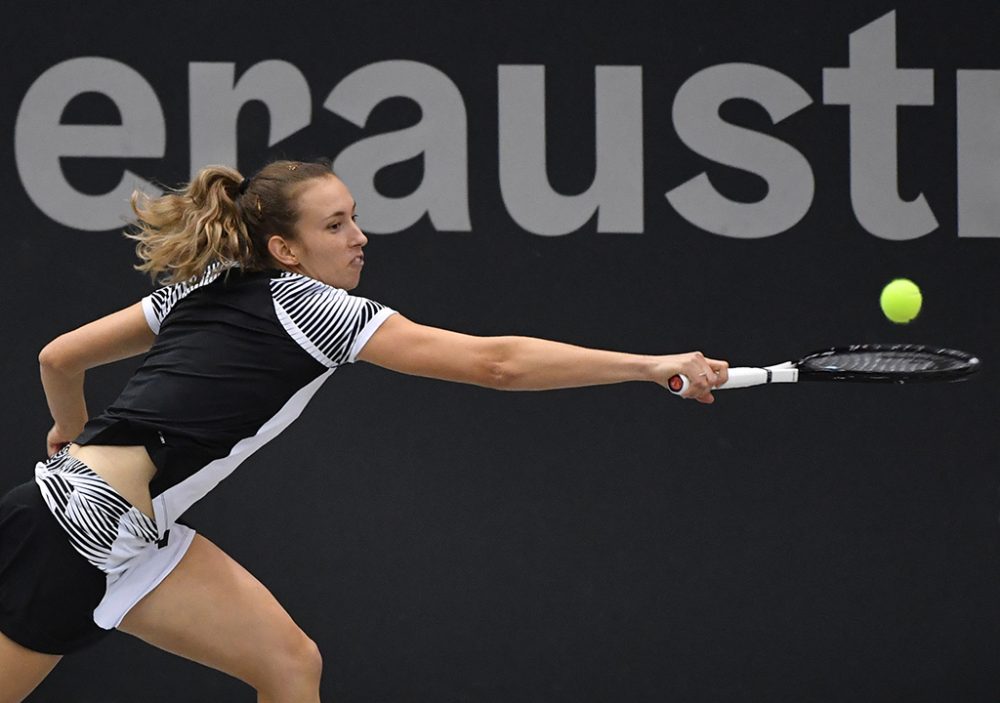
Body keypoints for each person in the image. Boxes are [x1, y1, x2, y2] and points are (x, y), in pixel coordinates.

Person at [0, 160, 728, 703]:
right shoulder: (318, 309)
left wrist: (67, 426)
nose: (359, 236)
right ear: (286, 250)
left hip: (129, 527)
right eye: (335, 224)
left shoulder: (202, 284)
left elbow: (57, 356)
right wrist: (645, 364)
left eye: (353, 216)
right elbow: (496, 364)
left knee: (290, 665)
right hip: (76, 533)